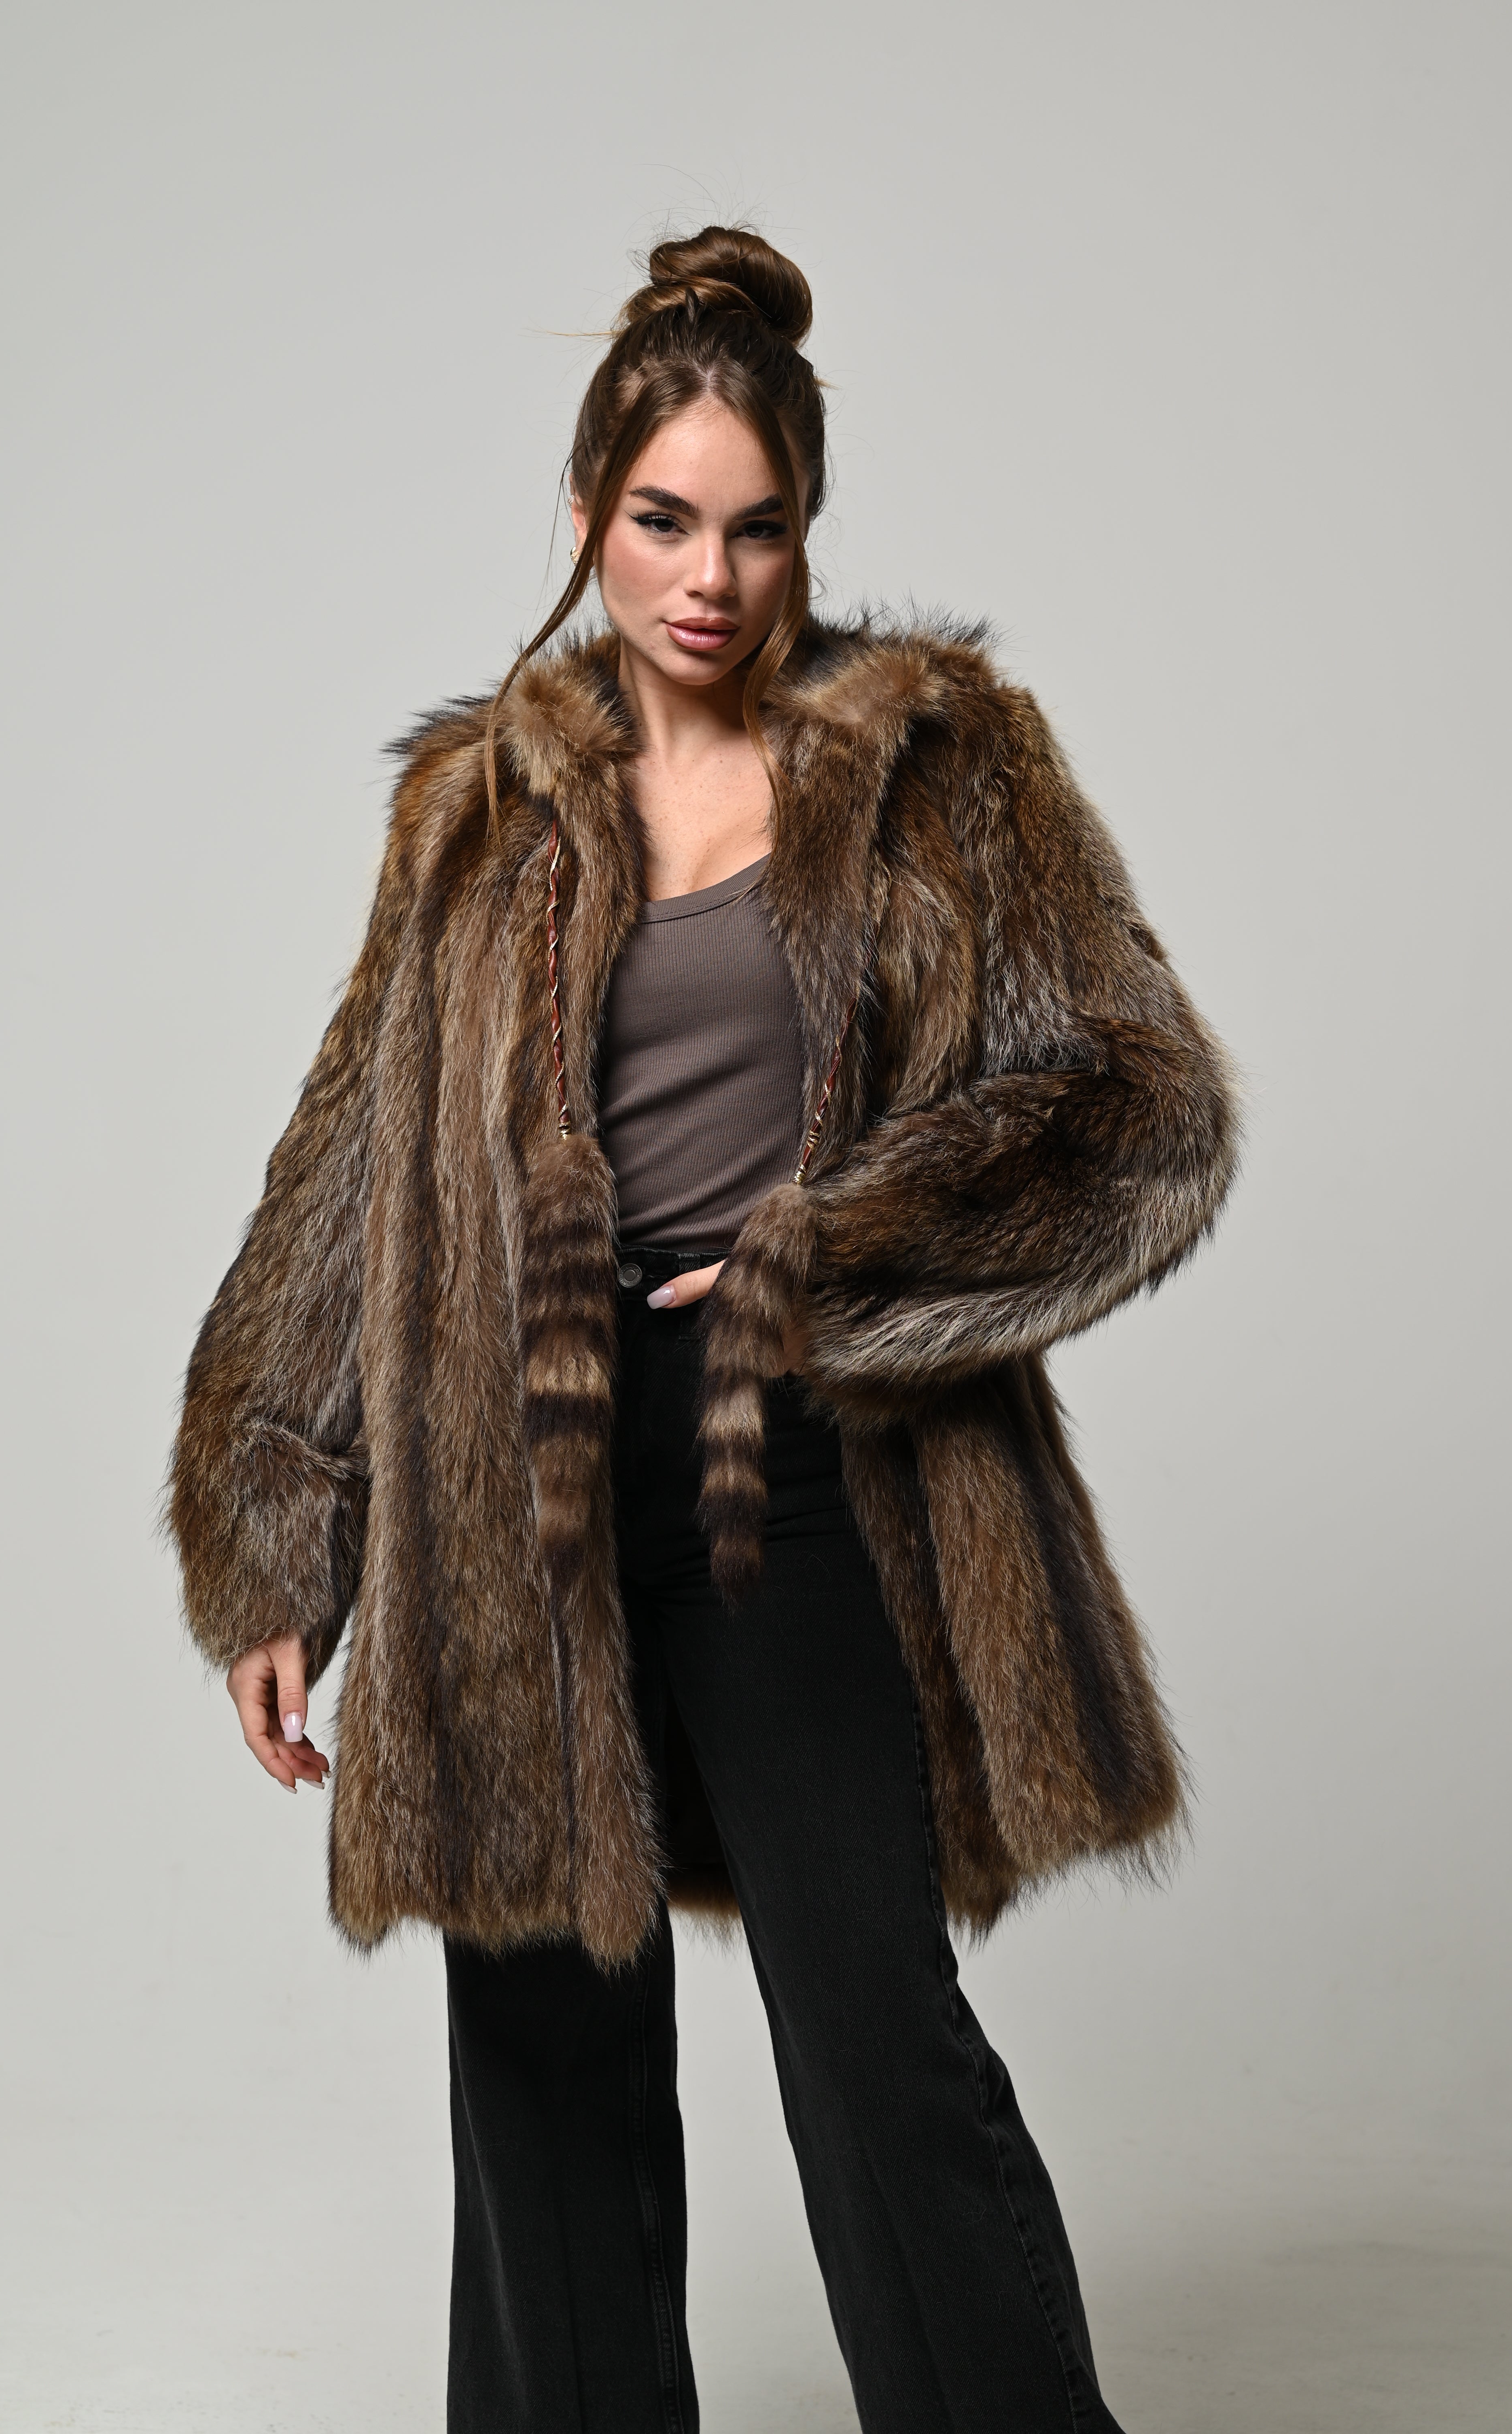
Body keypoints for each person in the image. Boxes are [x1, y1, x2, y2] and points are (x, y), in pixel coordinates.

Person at [167, 225, 1238, 2433]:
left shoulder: (942, 768)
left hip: (801, 1460)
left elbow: (1145, 1109)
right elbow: (352, 1168)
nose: (709, 579)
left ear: (807, 528)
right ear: (586, 512)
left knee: (873, 2035)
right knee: (542, 2062)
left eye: (757, 529)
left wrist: (834, 1257)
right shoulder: (474, 815)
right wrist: (285, 1538)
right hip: (510, 1486)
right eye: (665, 521)